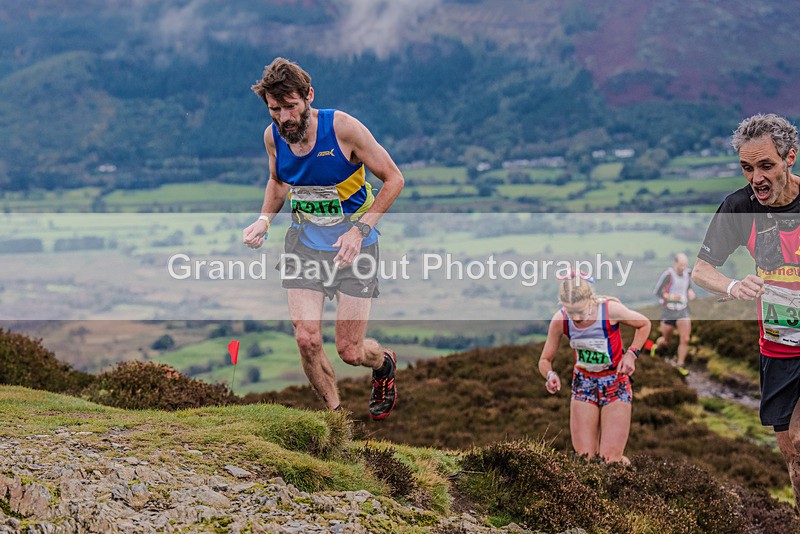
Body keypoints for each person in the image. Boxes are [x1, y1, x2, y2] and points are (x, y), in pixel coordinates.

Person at [242, 58, 404, 420]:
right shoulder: (273, 137)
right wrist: (264, 220)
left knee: (350, 350)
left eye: (291, 107)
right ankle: (337, 422)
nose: (284, 117)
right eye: (275, 109)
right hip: (304, 243)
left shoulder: (343, 129)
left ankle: (384, 363)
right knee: (306, 339)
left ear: (309, 97)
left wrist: (361, 230)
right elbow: (279, 181)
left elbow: (394, 179)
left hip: (354, 246)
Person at [692, 113, 800, 508]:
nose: (756, 177)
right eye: (747, 167)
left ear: (791, 157)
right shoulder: (739, 207)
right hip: (778, 347)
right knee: (793, 457)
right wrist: (734, 286)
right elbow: (702, 270)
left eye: (766, 165)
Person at [538, 273, 651, 463]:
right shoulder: (560, 320)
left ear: (590, 299)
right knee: (586, 460)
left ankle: (624, 476)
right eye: (570, 311)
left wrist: (631, 354)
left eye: (580, 311)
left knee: (610, 461)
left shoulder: (609, 310)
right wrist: (550, 375)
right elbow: (544, 359)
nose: (576, 317)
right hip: (584, 384)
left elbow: (644, 324)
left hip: (615, 381)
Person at [652, 252, 696, 375]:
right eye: (681, 265)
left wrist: (690, 292)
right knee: (667, 340)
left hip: (682, 310)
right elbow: (658, 292)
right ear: (675, 263)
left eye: (685, 265)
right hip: (668, 311)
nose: (683, 268)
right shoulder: (668, 275)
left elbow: (687, 287)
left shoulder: (688, 273)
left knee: (685, 339)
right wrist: (671, 297)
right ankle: (656, 346)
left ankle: (680, 364)